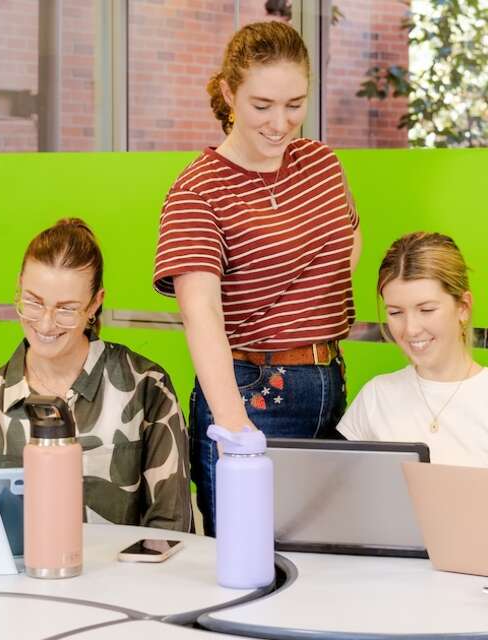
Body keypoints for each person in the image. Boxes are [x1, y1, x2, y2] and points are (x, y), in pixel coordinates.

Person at [152, 21, 362, 535]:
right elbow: (200, 316)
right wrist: (233, 424)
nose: (280, 122)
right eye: (261, 105)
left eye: (295, 104)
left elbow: (347, 247)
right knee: (251, 563)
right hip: (252, 395)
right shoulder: (197, 191)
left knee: (329, 564)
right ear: (228, 93)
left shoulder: (322, 164)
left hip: (330, 384)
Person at [0, 219, 192, 532]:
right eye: (32, 302)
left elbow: (171, 526)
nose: (44, 324)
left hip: (125, 580)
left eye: (66, 309)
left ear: (95, 304)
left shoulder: (146, 387)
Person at [338, 232, 488, 471]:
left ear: (463, 307)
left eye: (427, 310)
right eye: (395, 312)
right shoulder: (375, 398)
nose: (410, 329)